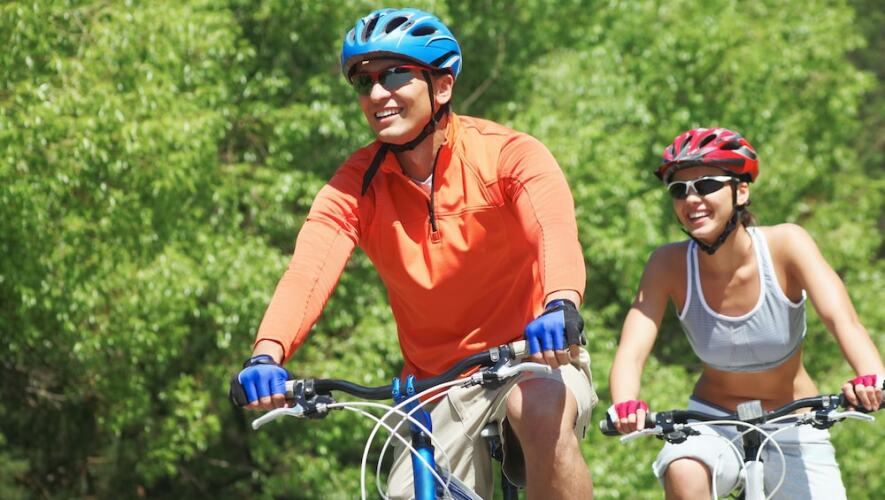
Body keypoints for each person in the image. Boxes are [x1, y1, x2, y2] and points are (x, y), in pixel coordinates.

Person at [231, 8, 597, 499]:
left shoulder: (507, 155)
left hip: (531, 358)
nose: (376, 94)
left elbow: (553, 228)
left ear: (441, 87)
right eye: (364, 82)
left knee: (537, 408)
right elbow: (307, 272)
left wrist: (561, 302)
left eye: (394, 75)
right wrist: (266, 353)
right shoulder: (355, 185)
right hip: (436, 386)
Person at [607, 127, 885, 499]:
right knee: (684, 470)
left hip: (795, 424)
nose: (692, 199)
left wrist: (872, 379)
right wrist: (625, 403)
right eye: (679, 190)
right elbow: (632, 350)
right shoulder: (666, 264)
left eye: (706, 185)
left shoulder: (787, 244)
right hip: (712, 423)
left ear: (741, 191)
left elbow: (843, 321)